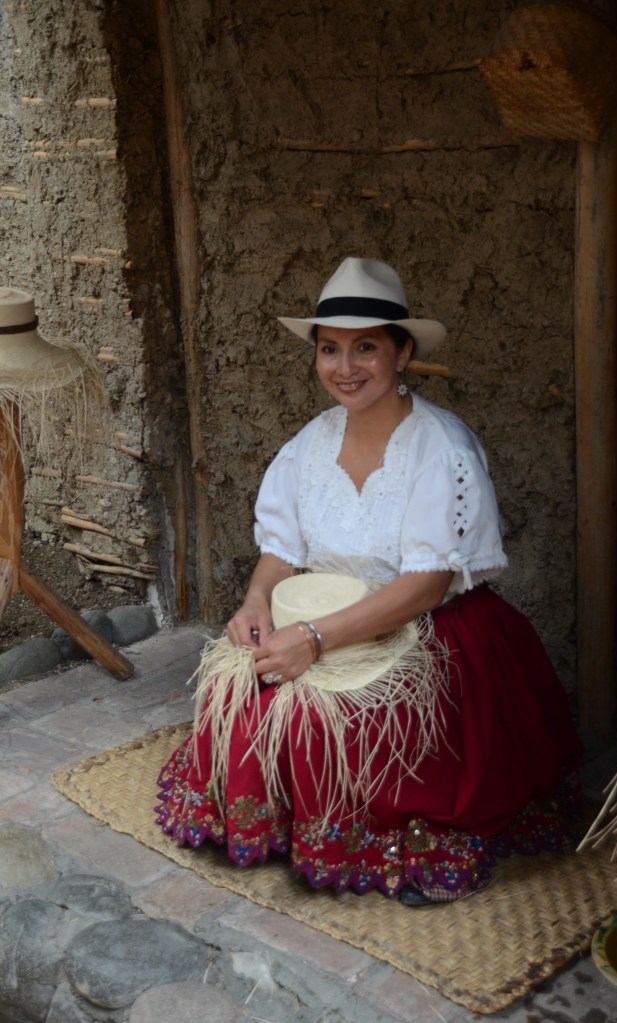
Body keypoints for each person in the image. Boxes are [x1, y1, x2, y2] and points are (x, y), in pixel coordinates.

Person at [155, 257, 583, 905]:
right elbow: (281, 548)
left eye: (366, 348)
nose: (345, 367)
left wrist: (316, 639)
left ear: (402, 352)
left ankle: (367, 831)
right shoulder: (309, 446)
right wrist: (256, 601)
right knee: (241, 687)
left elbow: (426, 586)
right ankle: (280, 820)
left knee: (315, 718)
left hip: (433, 631)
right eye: (330, 349)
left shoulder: (442, 450)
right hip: (328, 622)